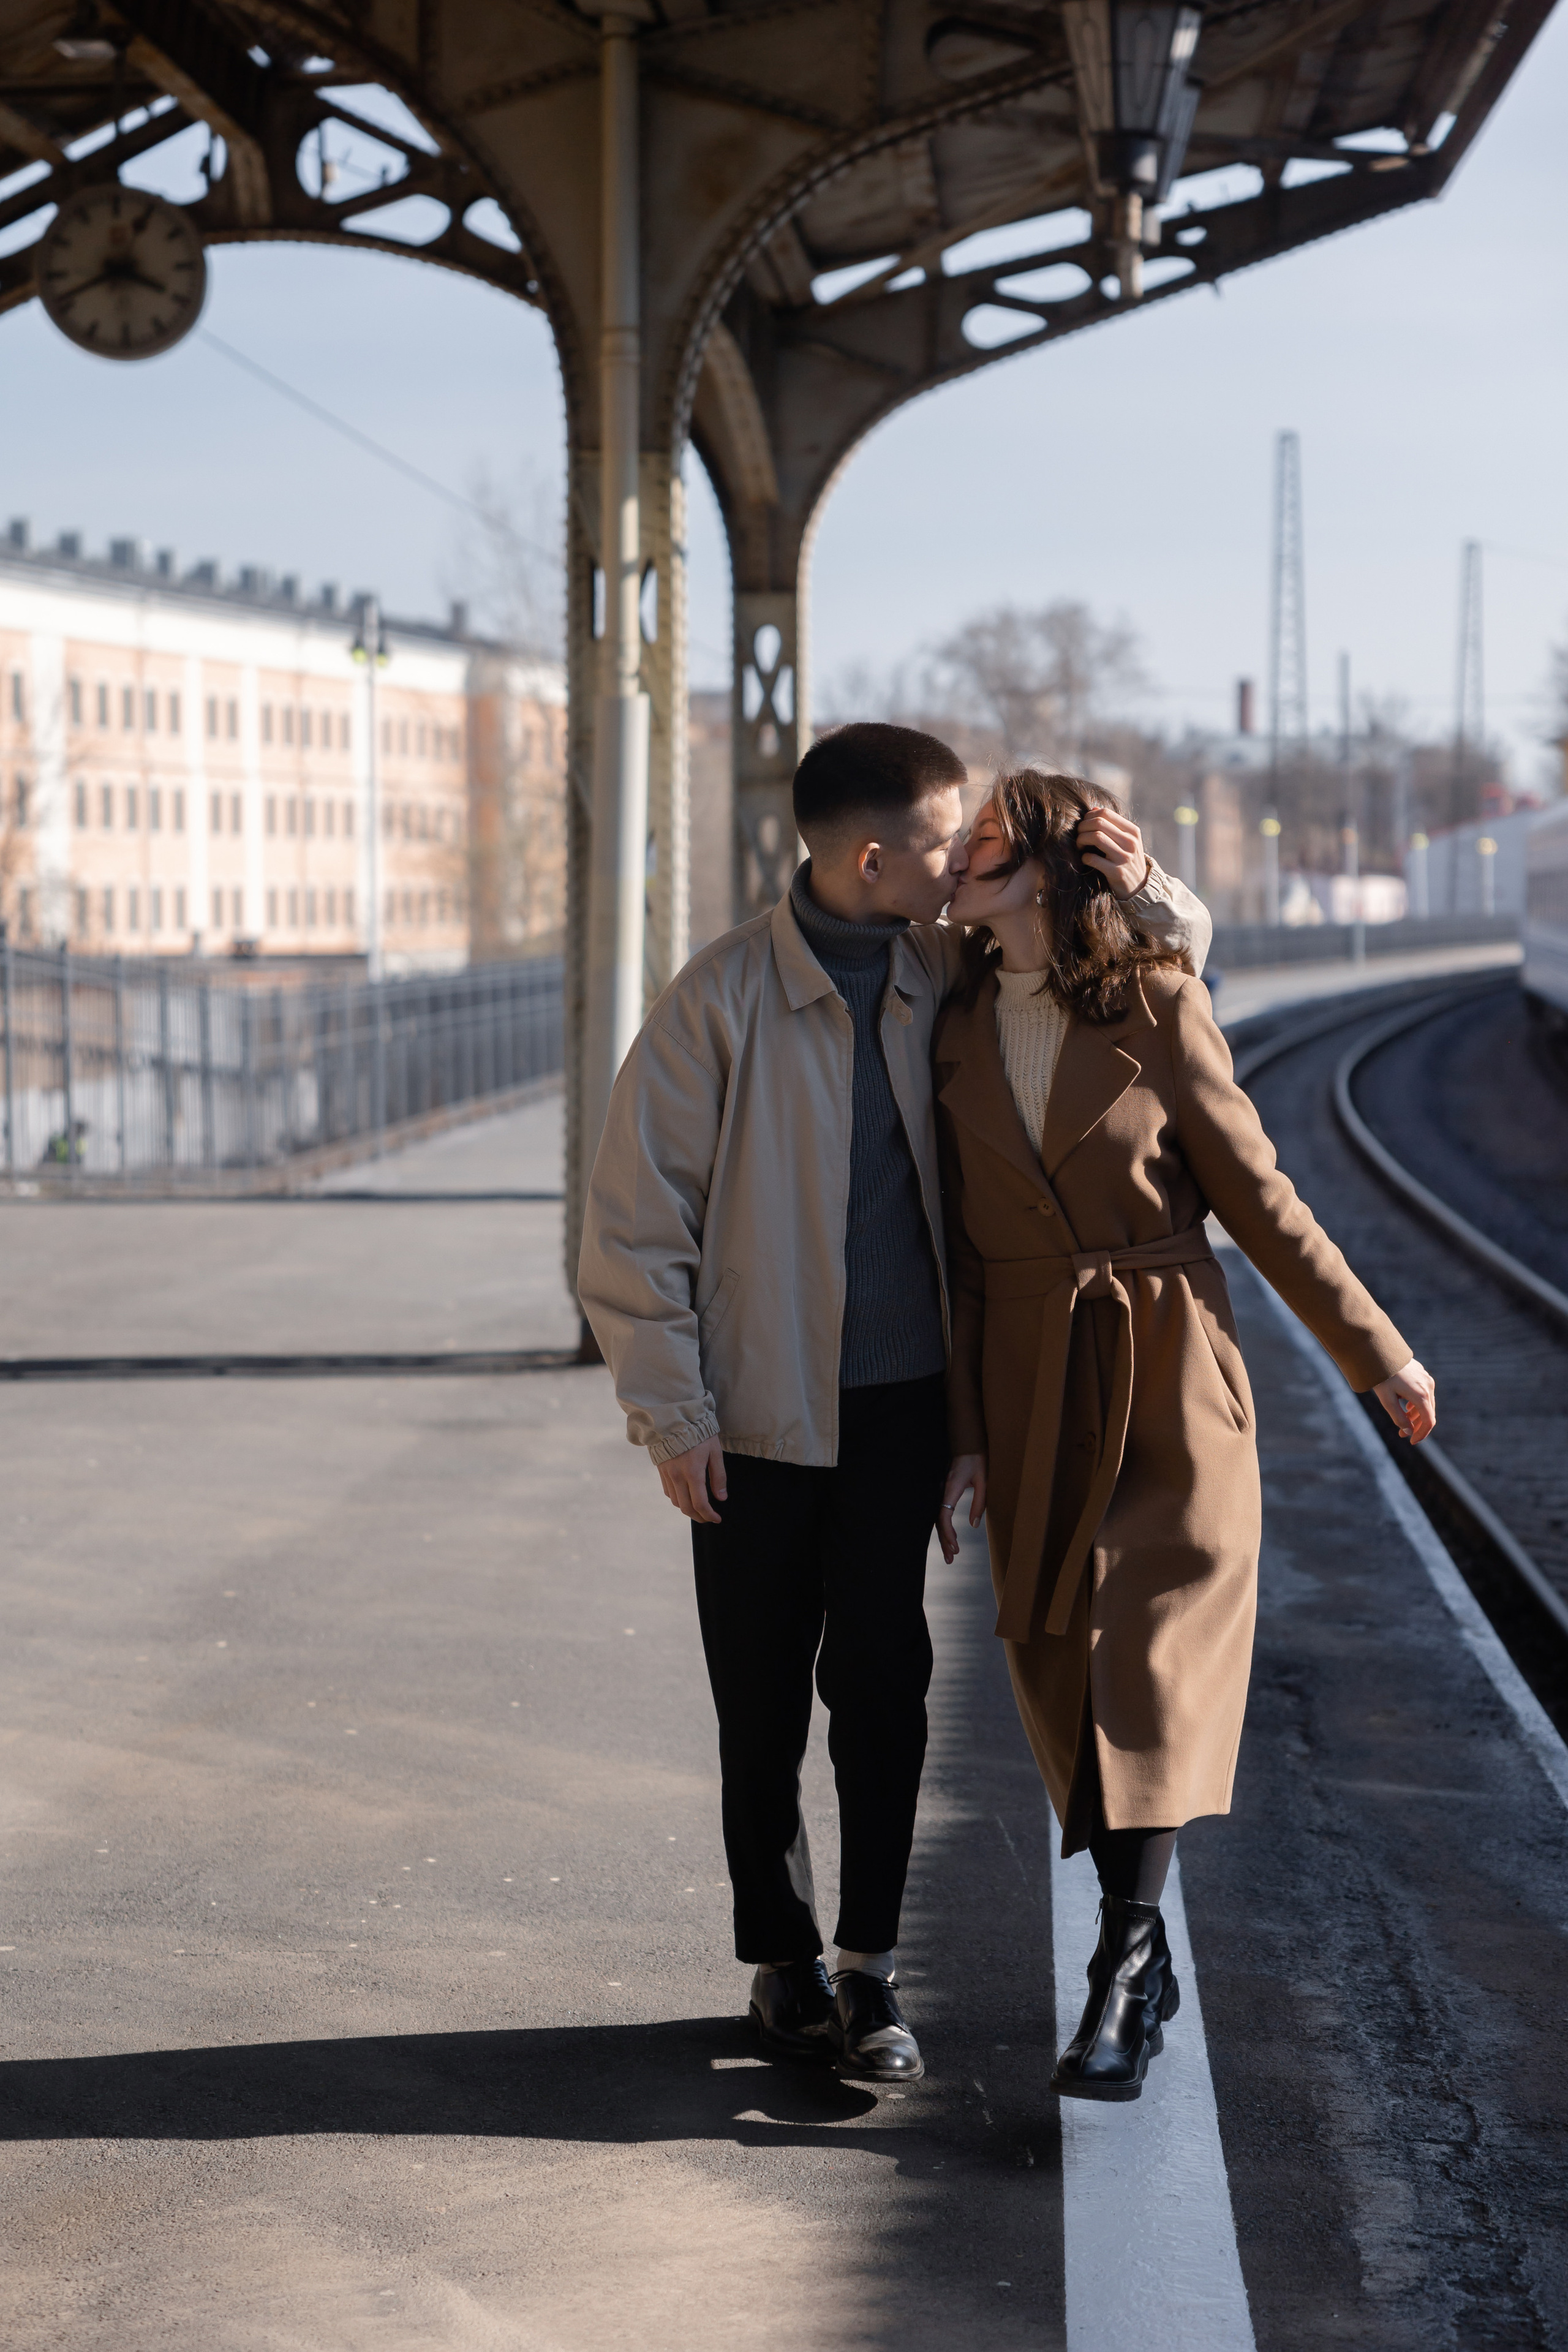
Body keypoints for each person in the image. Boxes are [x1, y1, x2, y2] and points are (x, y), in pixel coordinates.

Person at [578, 724, 1210, 2083]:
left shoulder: (950, 966)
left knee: (882, 1687)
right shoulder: (715, 1002)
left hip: (904, 1416)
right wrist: (671, 1417)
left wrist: (1144, 882)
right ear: (874, 858)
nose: (970, 852)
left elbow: (1138, 968)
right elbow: (634, 1233)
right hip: (749, 1422)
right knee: (757, 1702)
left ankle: (866, 1967)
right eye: (946, 837)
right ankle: (780, 1959)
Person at [934, 769, 1436, 2102]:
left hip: (1165, 1367)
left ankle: (1119, 1966)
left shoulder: (1157, 1004)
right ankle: (1134, 1953)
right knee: (1058, 1669)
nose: (962, 854)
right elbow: (962, 1267)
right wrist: (966, 1436)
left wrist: (1372, 1349)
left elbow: (1258, 1197)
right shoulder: (953, 1013)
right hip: (1030, 1367)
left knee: (1148, 1667)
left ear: (1050, 864)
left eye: (991, 836)